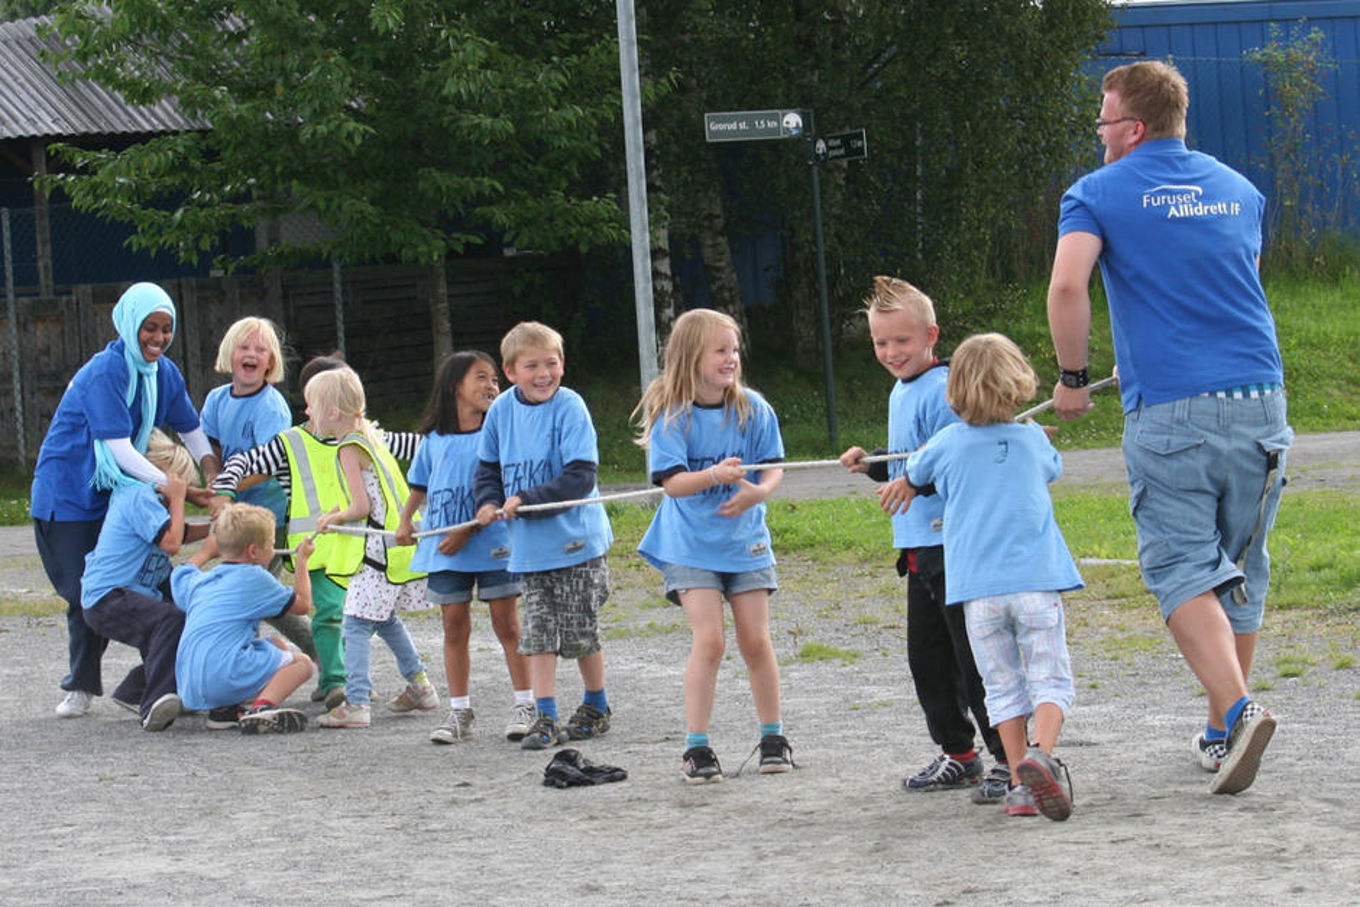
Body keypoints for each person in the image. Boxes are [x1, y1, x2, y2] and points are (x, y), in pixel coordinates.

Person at [1046, 60, 1290, 796]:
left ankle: (1242, 711)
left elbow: (1066, 285)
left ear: (1133, 127)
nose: (1097, 136)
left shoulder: (1095, 193)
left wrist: (1074, 378)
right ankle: (1221, 732)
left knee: (1183, 567)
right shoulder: (1240, 191)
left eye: (1101, 122)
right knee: (1240, 567)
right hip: (1263, 398)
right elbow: (1226, 282)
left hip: (1173, 411)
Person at [838, 277, 1008, 801]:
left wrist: (909, 476)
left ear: (930, 335)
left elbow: (951, 463)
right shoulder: (901, 388)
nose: (891, 353)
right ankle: (959, 753)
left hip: (954, 545)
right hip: (917, 552)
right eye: (881, 344)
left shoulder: (945, 388)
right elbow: (906, 463)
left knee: (971, 656)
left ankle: (1011, 757)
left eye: (901, 342)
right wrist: (872, 465)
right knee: (928, 659)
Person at [901, 333, 1083, 820]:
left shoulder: (944, 445)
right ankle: (1042, 755)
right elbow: (1052, 469)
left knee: (1001, 685)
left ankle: (1022, 783)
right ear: (1019, 383)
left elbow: (915, 471)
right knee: (1049, 676)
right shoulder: (1032, 440)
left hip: (977, 593)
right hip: (1035, 584)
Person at [30, 281, 219, 719]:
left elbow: (192, 433)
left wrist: (216, 480)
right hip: (69, 494)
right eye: (149, 328)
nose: (158, 338)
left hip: (121, 489)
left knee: (150, 583)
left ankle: (157, 682)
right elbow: (118, 449)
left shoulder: (164, 373)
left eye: (166, 329)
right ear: (129, 325)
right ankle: (80, 684)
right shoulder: (105, 372)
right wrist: (182, 490)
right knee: (88, 591)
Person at [209, 354, 421, 710]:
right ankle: (337, 682)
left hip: (364, 549)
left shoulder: (368, 435)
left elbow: (421, 447)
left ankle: (372, 680)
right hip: (320, 548)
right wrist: (224, 492)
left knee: (367, 617)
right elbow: (244, 461)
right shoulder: (289, 442)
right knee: (330, 613)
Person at [633, 309, 791, 783]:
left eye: (734, 350)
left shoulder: (753, 408)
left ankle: (773, 736)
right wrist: (714, 476)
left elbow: (774, 467)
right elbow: (674, 484)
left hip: (745, 542)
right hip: (690, 546)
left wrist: (758, 492)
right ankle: (697, 748)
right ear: (691, 356)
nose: (731, 359)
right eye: (720, 350)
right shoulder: (672, 414)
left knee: (756, 640)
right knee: (711, 640)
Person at [474, 321, 614, 750]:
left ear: (563, 365)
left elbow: (579, 477)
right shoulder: (500, 411)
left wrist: (528, 498)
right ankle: (546, 716)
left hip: (576, 545)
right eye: (531, 365)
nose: (543, 374)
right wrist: (487, 501)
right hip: (529, 551)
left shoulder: (571, 407)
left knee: (578, 630)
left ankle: (596, 704)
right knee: (537, 633)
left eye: (550, 363)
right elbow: (488, 469)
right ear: (511, 371)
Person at [395, 351, 534, 745]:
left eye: (495, 379)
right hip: (446, 549)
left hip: (492, 544)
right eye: (481, 377)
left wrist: (469, 530)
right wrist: (406, 520)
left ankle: (526, 704)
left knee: (506, 624)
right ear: (456, 385)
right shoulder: (433, 439)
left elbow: (503, 488)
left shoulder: (499, 435)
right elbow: (419, 485)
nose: (492, 386)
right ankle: (459, 712)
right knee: (453, 626)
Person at [307, 367, 435, 729]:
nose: (307, 412)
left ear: (332, 412)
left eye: (311, 405)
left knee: (356, 623)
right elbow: (369, 499)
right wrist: (337, 512)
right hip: (393, 550)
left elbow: (361, 508)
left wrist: (335, 520)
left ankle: (357, 701)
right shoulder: (369, 439)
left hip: (378, 554)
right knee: (383, 619)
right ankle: (420, 684)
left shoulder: (348, 446)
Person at [199, 317, 318, 666]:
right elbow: (211, 448)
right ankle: (314, 659)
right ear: (229, 354)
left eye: (261, 349)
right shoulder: (217, 400)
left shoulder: (271, 405)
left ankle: (324, 659)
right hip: (235, 518)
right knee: (254, 596)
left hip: (271, 518)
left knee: (252, 594)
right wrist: (213, 481)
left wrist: (226, 488)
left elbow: (268, 464)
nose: (252, 354)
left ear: (270, 362)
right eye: (244, 347)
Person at [79, 430, 210, 731]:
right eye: (179, 484)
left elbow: (178, 531)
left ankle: (135, 691)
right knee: (170, 620)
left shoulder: (150, 500)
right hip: (108, 597)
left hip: (131, 594)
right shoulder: (137, 495)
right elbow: (172, 543)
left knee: (190, 617)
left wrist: (216, 530)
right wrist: (178, 499)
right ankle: (153, 703)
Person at [173, 503, 315, 734]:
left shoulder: (203, 580)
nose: (273, 549)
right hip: (224, 675)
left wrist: (206, 553)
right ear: (253, 551)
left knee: (276, 645)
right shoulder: (255, 577)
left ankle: (224, 712)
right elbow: (302, 604)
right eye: (270, 545)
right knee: (302, 664)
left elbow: (180, 574)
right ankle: (261, 710)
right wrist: (302, 562)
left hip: (190, 686)